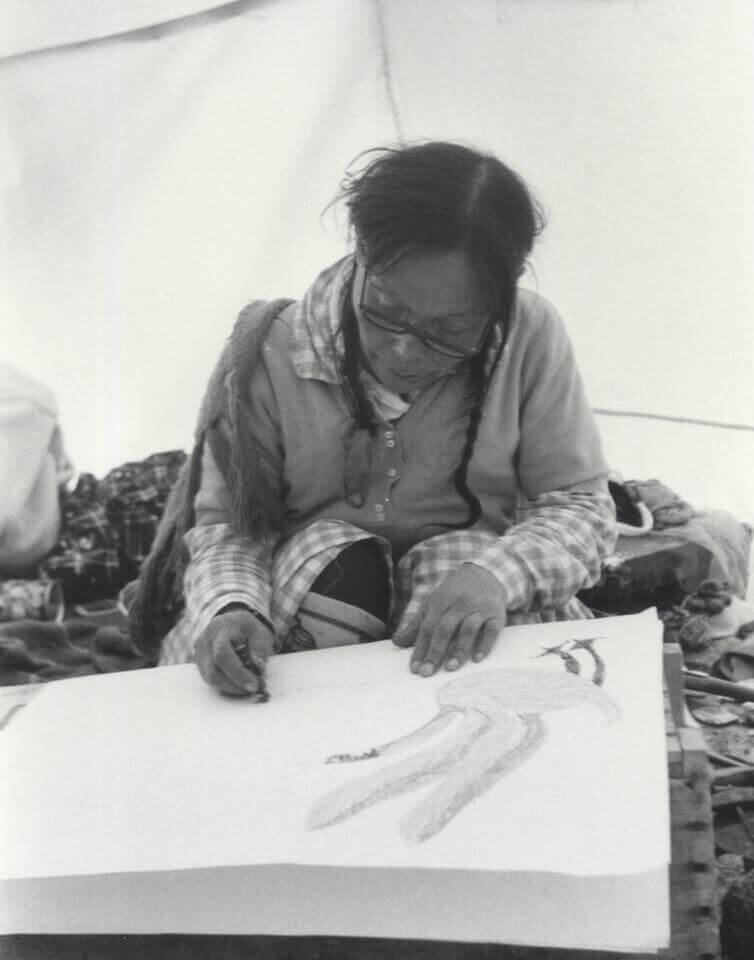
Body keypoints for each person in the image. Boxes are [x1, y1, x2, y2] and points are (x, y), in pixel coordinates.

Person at [143, 141, 617, 698]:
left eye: (447, 331)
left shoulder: (529, 335)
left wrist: (497, 575)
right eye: (386, 312)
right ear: (360, 254)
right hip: (310, 606)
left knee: (466, 565)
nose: (403, 353)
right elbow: (231, 529)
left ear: (498, 300)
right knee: (328, 556)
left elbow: (580, 509)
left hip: (455, 605)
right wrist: (231, 606)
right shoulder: (270, 351)